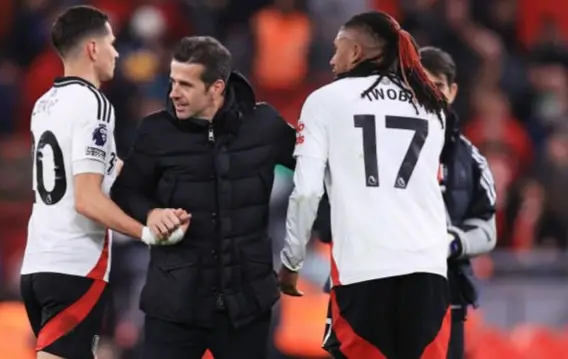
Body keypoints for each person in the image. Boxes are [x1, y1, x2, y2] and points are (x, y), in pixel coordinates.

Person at [278, 11, 455, 359]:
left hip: (364, 269)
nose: (331, 59)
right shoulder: (432, 108)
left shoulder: (325, 100)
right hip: (428, 271)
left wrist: (292, 261)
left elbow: (308, 192)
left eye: (337, 48)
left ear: (357, 51)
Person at [110, 36, 296, 359]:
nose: (173, 93)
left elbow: (316, 164)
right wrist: (152, 214)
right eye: (172, 82)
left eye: (185, 84)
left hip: (246, 306)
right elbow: (125, 192)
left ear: (216, 88)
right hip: (174, 305)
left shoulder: (264, 125)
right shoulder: (155, 131)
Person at [19, 6, 188, 359]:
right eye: (111, 43)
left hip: (37, 264)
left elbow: (109, 169)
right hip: (76, 265)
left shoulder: (44, 104)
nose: (116, 52)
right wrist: (145, 234)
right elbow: (87, 199)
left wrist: (159, 204)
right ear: (93, 49)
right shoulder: (94, 103)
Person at [420, 46, 497, 359]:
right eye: (418, 84)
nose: (428, 93)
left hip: (448, 296)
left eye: (436, 85)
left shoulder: (471, 160)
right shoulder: (376, 150)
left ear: (451, 92)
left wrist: (453, 242)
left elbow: (488, 229)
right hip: (387, 296)